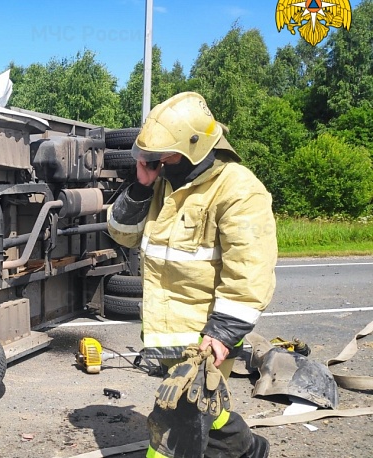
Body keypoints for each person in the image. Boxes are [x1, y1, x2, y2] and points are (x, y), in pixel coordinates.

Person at [106, 92, 277, 458]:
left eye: (161, 157)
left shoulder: (239, 189)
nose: (155, 163)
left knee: (171, 427)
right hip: (167, 333)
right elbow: (122, 232)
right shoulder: (164, 185)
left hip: (206, 339)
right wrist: (140, 185)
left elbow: (249, 270)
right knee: (207, 410)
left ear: (194, 148)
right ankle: (247, 450)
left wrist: (221, 334)